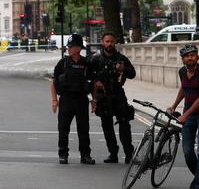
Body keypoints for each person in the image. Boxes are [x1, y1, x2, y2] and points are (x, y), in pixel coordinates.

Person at [168, 44, 199, 189]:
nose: (190, 57)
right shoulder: (182, 71)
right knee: (188, 152)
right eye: (187, 56)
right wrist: (174, 106)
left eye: (193, 55)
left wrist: (185, 115)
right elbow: (183, 88)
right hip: (189, 113)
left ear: (197, 57)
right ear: (182, 59)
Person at [89, 31, 136, 164]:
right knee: (107, 126)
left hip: (118, 94)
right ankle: (113, 154)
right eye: (107, 41)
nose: (109, 44)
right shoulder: (96, 59)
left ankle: (129, 154)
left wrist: (124, 69)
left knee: (124, 124)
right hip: (103, 96)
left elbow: (133, 74)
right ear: (103, 42)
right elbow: (88, 75)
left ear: (115, 42)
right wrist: (95, 82)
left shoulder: (121, 59)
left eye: (111, 41)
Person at [51, 33, 95, 165]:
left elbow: (93, 83)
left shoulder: (86, 63)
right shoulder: (63, 63)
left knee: (83, 129)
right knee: (63, 129)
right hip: (66, 99)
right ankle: (63, 154)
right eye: (68, 46)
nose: (69, 49)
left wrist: (94, 100)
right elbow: (53, 82)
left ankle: (85, 155)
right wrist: (54, 100)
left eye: (71, 46)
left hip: (81, 100)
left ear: (78, 48)